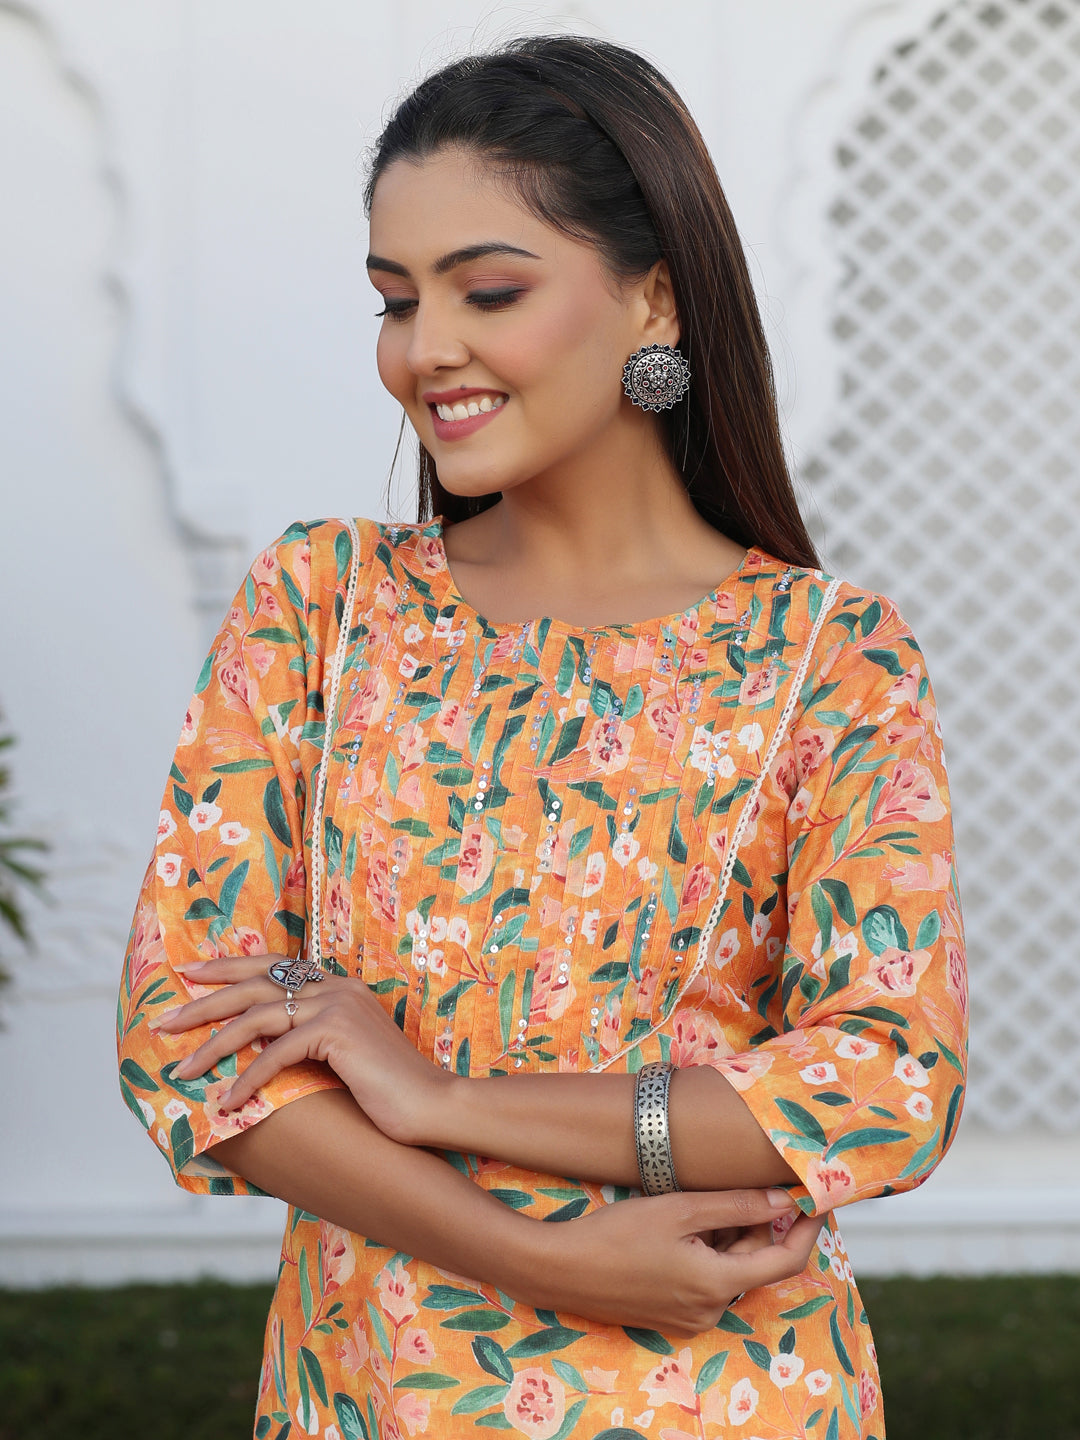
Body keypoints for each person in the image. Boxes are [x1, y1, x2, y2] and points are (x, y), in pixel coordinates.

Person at [117, 35, 967, 1440]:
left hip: (725, 1395)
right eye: (396, 300)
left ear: (654, 296)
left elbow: (885, 1082)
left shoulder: (832, 658)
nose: (424, 349)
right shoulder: (322, 607)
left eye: (489, 290)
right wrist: (540, 1257)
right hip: (369, 1396)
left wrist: (446, 1098)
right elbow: (189, 1040)